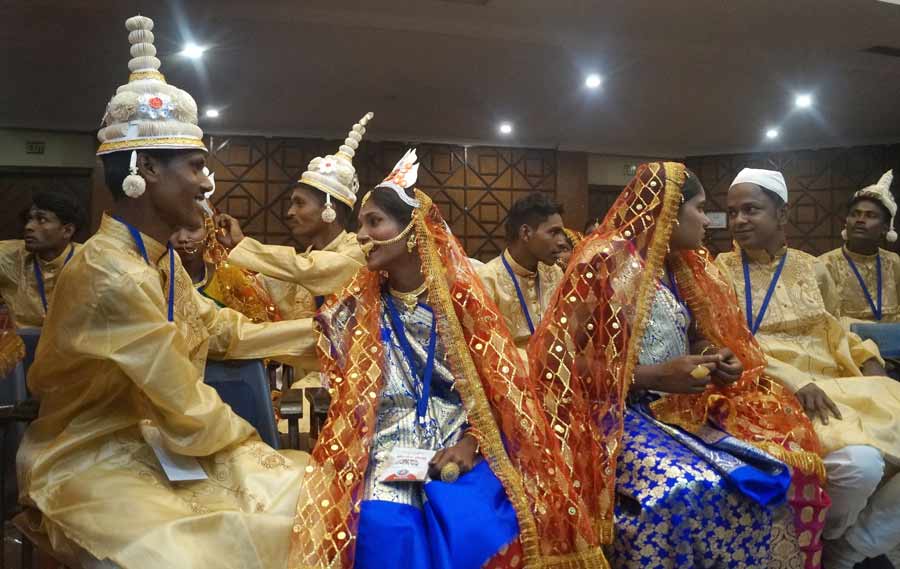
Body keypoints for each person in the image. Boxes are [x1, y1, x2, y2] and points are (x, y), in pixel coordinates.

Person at [15, 16, 321, 569]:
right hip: (92, 456)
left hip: (162, 442)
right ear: (146, 168)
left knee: (314, 495)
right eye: (197, 166)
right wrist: (254, 442)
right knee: (213, 542)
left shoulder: (156, 258)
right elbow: (187, 409)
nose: (207, 183)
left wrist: (324, 334)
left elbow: (220, 330)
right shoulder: (111, 271)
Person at [286, 149, 606, 568]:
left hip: (462, 433)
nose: (361, 235)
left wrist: (472, 443)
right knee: (385, 530)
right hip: (383, 442)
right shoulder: (353, 307)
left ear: (413, 230)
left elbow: (498, 386)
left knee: (485, 526)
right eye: (361, 224)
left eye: (374, 222)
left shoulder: (462, 304)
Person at [529, 162, 828, 568]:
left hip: (685, 406)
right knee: (686, 491)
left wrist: (715, 355)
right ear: (667, 210)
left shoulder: (683, 265)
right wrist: (653, 376)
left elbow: (696, 333)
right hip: (616, 412)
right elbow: (555, 360)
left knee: (772, 475)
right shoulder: (604, 262)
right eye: (700, 208)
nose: (708, 220)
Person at [717, 167, 900, 569]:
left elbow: (832, 326)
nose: (738, 220)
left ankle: (851, 546)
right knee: (861, 467)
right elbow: (726, 342)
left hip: (837, 382)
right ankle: (833, 542)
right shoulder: (719, 270)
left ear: (782, 214)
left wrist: (868, 358)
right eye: (732, 212)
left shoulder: (812, 268)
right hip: (772, 389)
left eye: (750, 210)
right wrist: (796, 380)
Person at [477, 193, 566, 355]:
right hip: (509, 368)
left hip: (554, 365)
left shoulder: (555, 273)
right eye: (554, 232)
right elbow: (488, 350)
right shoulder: (487, 279)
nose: (562, 242)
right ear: (525, 233)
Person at [818, 170, 900, 326]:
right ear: (846, 222)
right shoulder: (825, 264)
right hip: (844, 339)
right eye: (855, 214)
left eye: (870, 215)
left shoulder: (894, 262)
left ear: (885, 228)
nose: (860, 220)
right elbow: (824, 320)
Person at [0, 190, 85, 328]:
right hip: (21, 341)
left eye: (42, 220)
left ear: (67, 230)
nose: (28, 227)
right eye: (29, 219)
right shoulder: (9, 257)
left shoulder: (89, 260)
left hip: (73, 341)